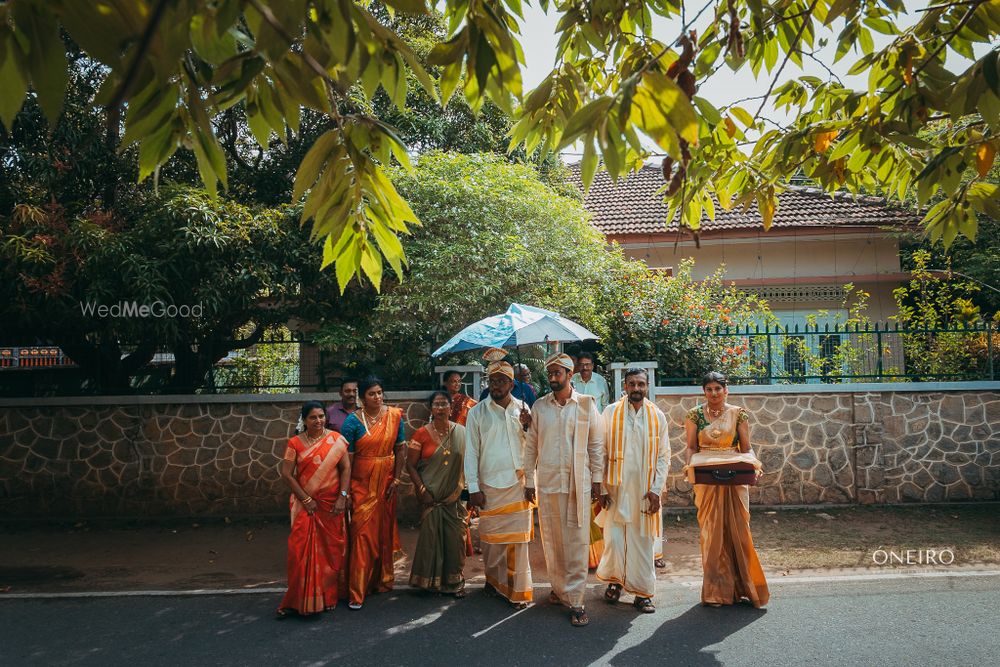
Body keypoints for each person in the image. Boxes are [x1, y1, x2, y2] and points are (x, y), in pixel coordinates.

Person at [524, 352, 605, 627]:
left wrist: (597, 481)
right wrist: (527, 481)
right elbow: (531, 446)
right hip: (547, 484)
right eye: (550, 374)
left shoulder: (585, 405)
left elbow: (596, 445)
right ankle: (559, 590)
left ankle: (578, 600)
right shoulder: (538, 407)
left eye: (558, 373)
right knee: (552, 540)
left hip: (577, 485)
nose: (553, 378)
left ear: (571, 375)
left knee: (576, 542)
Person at [684, 371, 769, 608]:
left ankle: (744, 587)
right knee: (711, 533)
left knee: (739, 530)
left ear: (726, 390)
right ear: (704, 391)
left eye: (718, 389)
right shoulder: (694, 415)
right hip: (706, 479)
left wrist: (754, 465)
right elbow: (691, 447)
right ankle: (715, 592)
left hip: (733, 477)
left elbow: (746, 447)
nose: (713, 393)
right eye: (709, 389)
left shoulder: (738, 414)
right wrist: (690, 468)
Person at [596, 369, 669, 613]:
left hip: (644, 491)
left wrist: (657, 490)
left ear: (647, 386)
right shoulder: (610, 413)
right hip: (616, 490)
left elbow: (663, 456)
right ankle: (615, 582)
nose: (636, 388)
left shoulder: (657, 416)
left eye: (640, 384)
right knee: (614, 540)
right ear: (624, 386)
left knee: (643, 543)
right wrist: (603, 486)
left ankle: (642, 593)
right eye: (631, 384)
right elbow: (601, 450)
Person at [465, 361, 534, 608]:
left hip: (519, 483)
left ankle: (518, 591)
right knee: (492, 543)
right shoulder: (477, 412)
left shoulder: (523, 410)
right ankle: (494, 580)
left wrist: (528, 426)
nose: (495, 385)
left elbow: (533, 448)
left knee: (518, 543)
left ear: (512, 384)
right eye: (492, 381)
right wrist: (473, 488)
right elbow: (471, 452)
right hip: (490, 485)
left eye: (501, 381)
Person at [277, 401, 351, 618]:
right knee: (299, 552)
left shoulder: (336, 440)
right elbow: (287, 474)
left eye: (321, 416)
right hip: (305, 506)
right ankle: (297, 599)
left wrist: (343, 497)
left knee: (330, 553)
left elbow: (346, 468)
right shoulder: (294, 443)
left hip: (331, 505)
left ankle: (327, 597)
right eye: (313, 417)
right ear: (304, 420)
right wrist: (306, 499)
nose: (318, 421)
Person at [340, 376, 406, 610]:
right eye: (371, 394)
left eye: (379, 392)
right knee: (361, 535)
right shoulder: (352, 422)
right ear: (362, 398)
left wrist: (396, 479)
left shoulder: (395, 416)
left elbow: (401, 449)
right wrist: (345, 493)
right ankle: (357, 591)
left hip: (387, 484)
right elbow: (345, 462)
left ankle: (380, 581)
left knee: (382, 534)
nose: (377, 397)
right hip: (361, 487)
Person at [406, 390, 468, 597]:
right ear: (431, 409)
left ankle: (454, 582)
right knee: (431, 540)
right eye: (437, 405)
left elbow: (469, 464)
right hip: (430, 497)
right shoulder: (421, 434)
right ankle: (429, 582)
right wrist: (422, 490)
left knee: (455, 540)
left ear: (451, 408)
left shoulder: (462, 432)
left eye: (444, 404)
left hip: (454, 497)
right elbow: (411, 465)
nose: (441, 408)